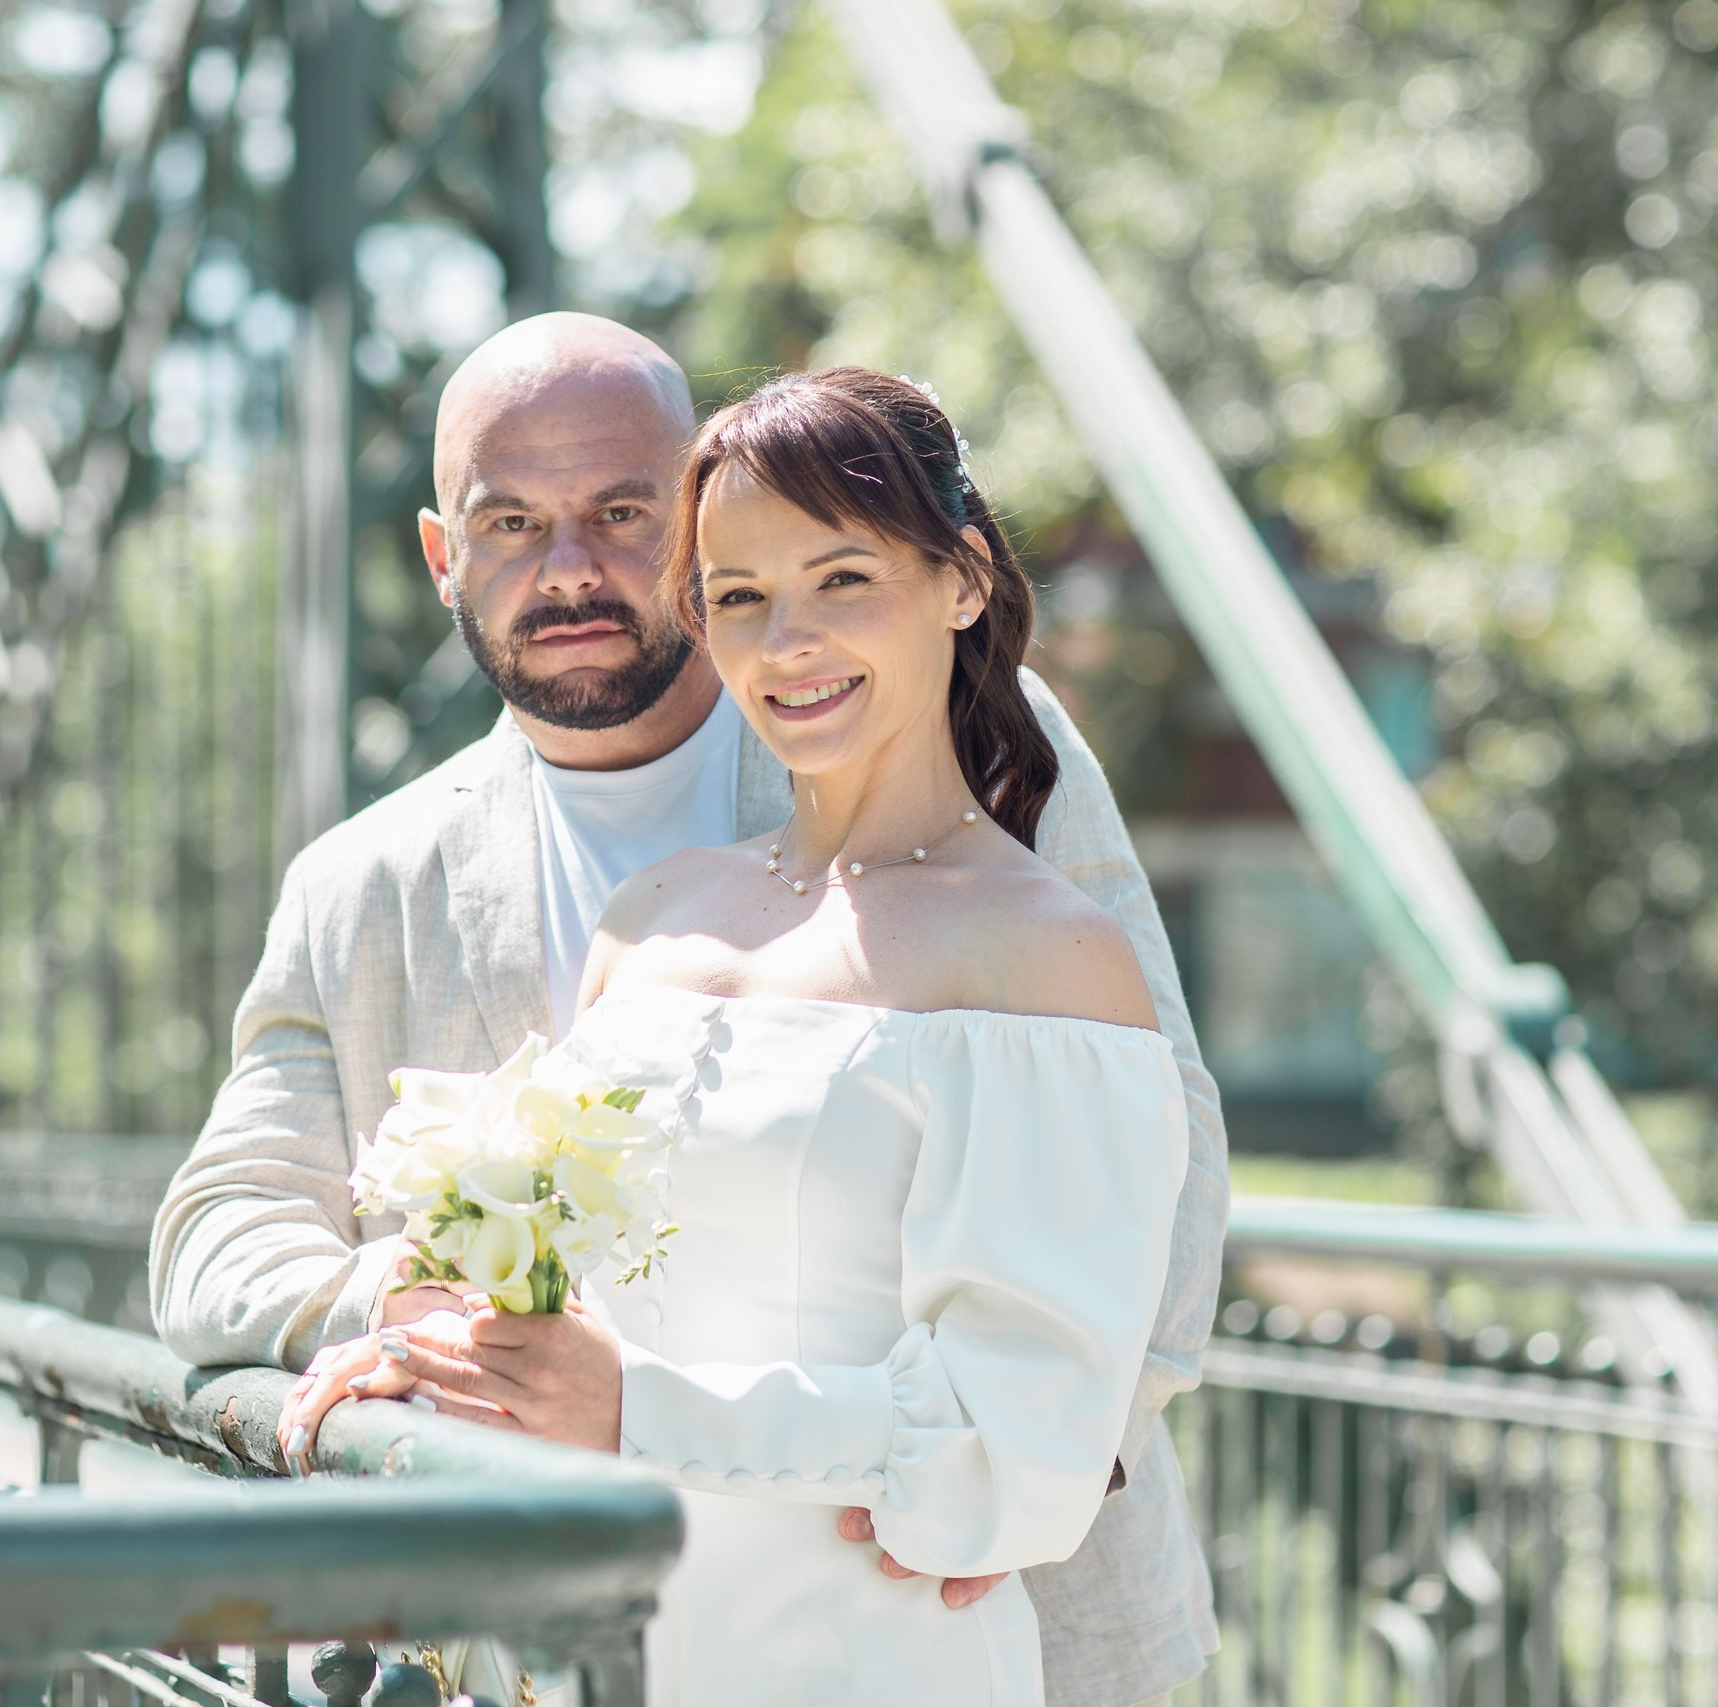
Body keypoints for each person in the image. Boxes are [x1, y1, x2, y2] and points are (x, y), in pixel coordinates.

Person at [151, 315, 1228, 1707]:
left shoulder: (953, 725)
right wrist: (445, 1322)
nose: (570, 566)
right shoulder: (373, 886)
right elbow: (217, 1224)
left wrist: (1041, 1462)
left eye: (619, 511)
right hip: (604, 1641)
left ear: (688, 521)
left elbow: (1161, 1129)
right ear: (441, 554)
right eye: (511, 520)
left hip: (946, 1604)